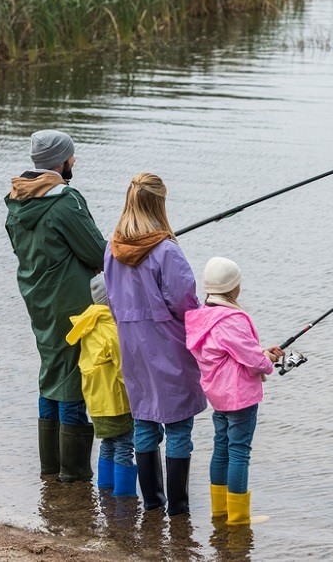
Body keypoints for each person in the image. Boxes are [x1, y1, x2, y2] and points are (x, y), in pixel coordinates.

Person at [5, 129, 107, 482]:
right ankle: (74, 474)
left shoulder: (16, 200)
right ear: (60, 161)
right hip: (72, 302)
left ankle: (51, 468)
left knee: (51, 372)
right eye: (71, 156)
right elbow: (98, 253)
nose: (74, 160)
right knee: (72, 379)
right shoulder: (66, 201)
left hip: (37, 298)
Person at [103, 172, 207, 516]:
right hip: (168, 344)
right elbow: (185, 303)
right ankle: (178, 509)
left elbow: (112, 299)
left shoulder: (112, 248)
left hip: (132, 346)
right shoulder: (166, 251)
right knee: (178, 426)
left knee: (144, 421)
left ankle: (152, 504)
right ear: (158, 203)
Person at [184, 257, 282, 525]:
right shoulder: (230, 320)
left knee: (222, 448)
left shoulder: (202, 317)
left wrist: (259, 354)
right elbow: (253, 361)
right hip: (239, 396)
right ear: (232, 287)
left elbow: (229, 353)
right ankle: (238, 516)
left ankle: (220, 510)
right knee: (239, 451)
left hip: (218, 394)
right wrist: (267, 360)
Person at [66, 274, 136, 497]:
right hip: (117, 402)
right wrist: (140, 394)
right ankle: (124, 497)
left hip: (96, 401)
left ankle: (105, 490)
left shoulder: (89, 324)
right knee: (124, 446)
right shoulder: (112, 328)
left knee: (108, 444)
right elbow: (124, 370)